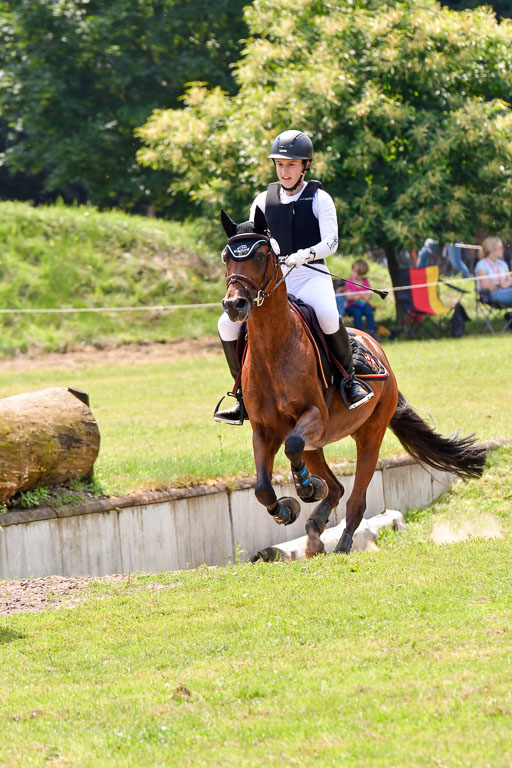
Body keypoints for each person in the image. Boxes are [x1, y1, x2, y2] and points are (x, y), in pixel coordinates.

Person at [214, 129, 374, 425]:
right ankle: (241, 397)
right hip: (274, 281)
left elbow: (331, 243)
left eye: (291, 165)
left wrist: (305, 254)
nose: (284, 171)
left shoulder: (320, 198)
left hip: (310, 276)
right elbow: (255, 239)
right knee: (226, 323)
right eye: (280, 164)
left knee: (327, 314)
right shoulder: (263, 199)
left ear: (305, 166)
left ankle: (349, 381)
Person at [344, 259, 378, 336]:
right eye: (355, 272)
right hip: (352, 306)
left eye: (359, 274)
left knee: (369, 311)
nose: (356, 275)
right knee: (357, 313)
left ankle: (373, 331)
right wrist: (355, 297)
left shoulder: (365, 282)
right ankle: (359, 333)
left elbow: (369, 294)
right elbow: (347, 296)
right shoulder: (349, 282)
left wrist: (366, 297)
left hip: (363, 304)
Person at [475, 236, 512, 306]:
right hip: (493, 295)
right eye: (501, 248)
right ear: (493, 250)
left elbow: (510, 280)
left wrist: (498, 284)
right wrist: (501, 284)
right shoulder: (482, 265)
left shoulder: (502, 264)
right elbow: (486, 288)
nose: (503, 249)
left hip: (506, 291)